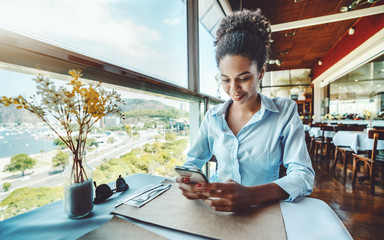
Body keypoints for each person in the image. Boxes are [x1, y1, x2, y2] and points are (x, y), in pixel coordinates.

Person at [176, 9, 315, 212]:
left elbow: (303, 175)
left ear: (261, 72)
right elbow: (193, 161)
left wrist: (252, 195)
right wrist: (188, 180)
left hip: (264, 209)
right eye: (225, 79)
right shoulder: (213, 117)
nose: (233, 89)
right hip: (216, 208)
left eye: (243, 78)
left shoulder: (284, 111)